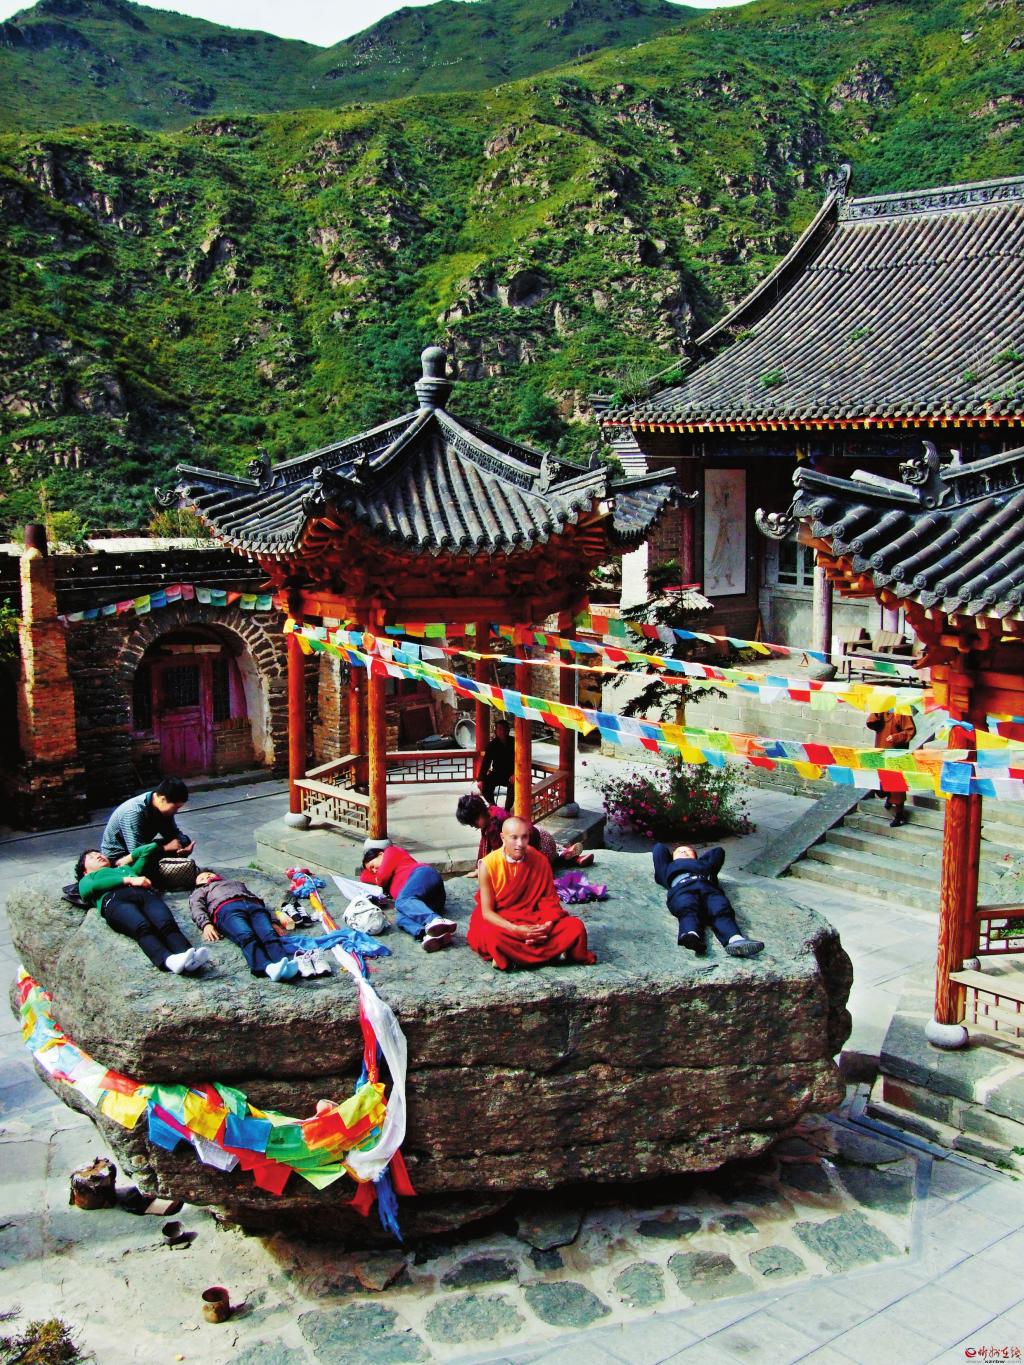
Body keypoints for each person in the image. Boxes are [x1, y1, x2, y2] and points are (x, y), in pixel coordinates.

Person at [468, 816, 596, 971]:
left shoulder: (540, 860)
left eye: (524, 837)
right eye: (514, 838)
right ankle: (550, 954)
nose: (520, 843)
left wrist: (546, 926)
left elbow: (549, 901)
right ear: (502, 838)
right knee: (489, 934)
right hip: (505, 922)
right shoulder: (488, 865)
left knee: (575, 927)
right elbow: (487, 912)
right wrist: (516, 930)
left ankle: (514, 958)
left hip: (535, 919)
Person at [75, 842, 208, 974]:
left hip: (145, 895)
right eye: (91, 857)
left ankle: (189, 956)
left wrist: (128, 858)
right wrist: (128, 880)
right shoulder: (88, 878)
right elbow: (86, 890)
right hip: (114, 900)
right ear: (85, 871)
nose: (98, 856)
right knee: (141, 927)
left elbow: (148, 849)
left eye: (98, 853)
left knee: (166, 923)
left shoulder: (124, 869)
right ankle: (168, 960)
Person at [652, 843, 764, 957]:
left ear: (695, 856)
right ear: (671, 857)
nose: (684, 852)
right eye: (679, 851)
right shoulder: (666, 868)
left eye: (688, 851)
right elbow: (659, 848)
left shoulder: (704, 865)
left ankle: (735, 939)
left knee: (720, 908)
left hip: (708, 887)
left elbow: (718, 852)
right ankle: (691, 935)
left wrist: (702, 861)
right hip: (682, 888)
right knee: (687, 907)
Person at [189, 871, 301, 982]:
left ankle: (283, 964)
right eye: (202, 878)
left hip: (254, 905)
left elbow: (260, 901)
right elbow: (196, 907)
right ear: (198, 884)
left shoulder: (234, 882)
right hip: (226, 908)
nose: (207, 876)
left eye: (209, 874)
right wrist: (206, 924)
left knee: (269, 933)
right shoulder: (201, 890)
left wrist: (272, 921)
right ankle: (267, 967)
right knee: (246, 935)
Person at [455, 793, 594, 876]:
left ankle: (561, 857)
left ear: (479, 814)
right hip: (542, 835)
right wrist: (479, 866)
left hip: (540, 846)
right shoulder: (491, 811)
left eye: (473, 823)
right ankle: (568, 854)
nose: (473, 826)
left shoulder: (493, 826)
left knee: (529, 869)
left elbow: (500, 855)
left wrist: (484, 870)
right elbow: (485, 844)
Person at [360, 845, 457, 950]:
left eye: (373, 866)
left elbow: (382, 879)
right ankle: (430, 935)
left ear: (380, 854)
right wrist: (372, 873)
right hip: (424, 903)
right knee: (401, 919)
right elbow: (364, 877)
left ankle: (435, 920)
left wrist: (377, 878)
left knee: (401, 901)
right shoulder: (383, 872)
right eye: (371, 870)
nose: (374, 871)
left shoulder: (391, 851)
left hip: (424, 875)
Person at [100, 778, 194, 866]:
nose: (176, 811)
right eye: (175, 808)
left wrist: (184, 845)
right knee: (158, 855)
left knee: (179, 843)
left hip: (141, 847)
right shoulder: (134, 812)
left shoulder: (161, 807)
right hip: (119, 858)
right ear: (162, 799)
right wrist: (165, 848)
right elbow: (136, 853)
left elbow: (173, 834)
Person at [866, 709, 916, 826]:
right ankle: (888, 795)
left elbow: (910, 730)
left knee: (896, 786)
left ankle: (899, 815)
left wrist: (896, 737)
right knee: (881, 783)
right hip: (881, 751)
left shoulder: (901, 710)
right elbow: (872, 724)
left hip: (896, 754)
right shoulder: (881, 709)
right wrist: (876, 713)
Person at [476, 719, 515, 806]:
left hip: (512, 774)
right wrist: (480, 779)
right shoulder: (492, 745)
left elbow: (520, 761)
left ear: (508, 730)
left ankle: (507, 809)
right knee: (484, 784)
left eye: (504, 729)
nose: (502, 731)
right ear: (496, 731)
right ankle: (493, 805)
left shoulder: (515, 743)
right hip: (497, 773)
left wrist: (515, 773)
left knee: (515, 784)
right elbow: (486, 763)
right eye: (500, 729)